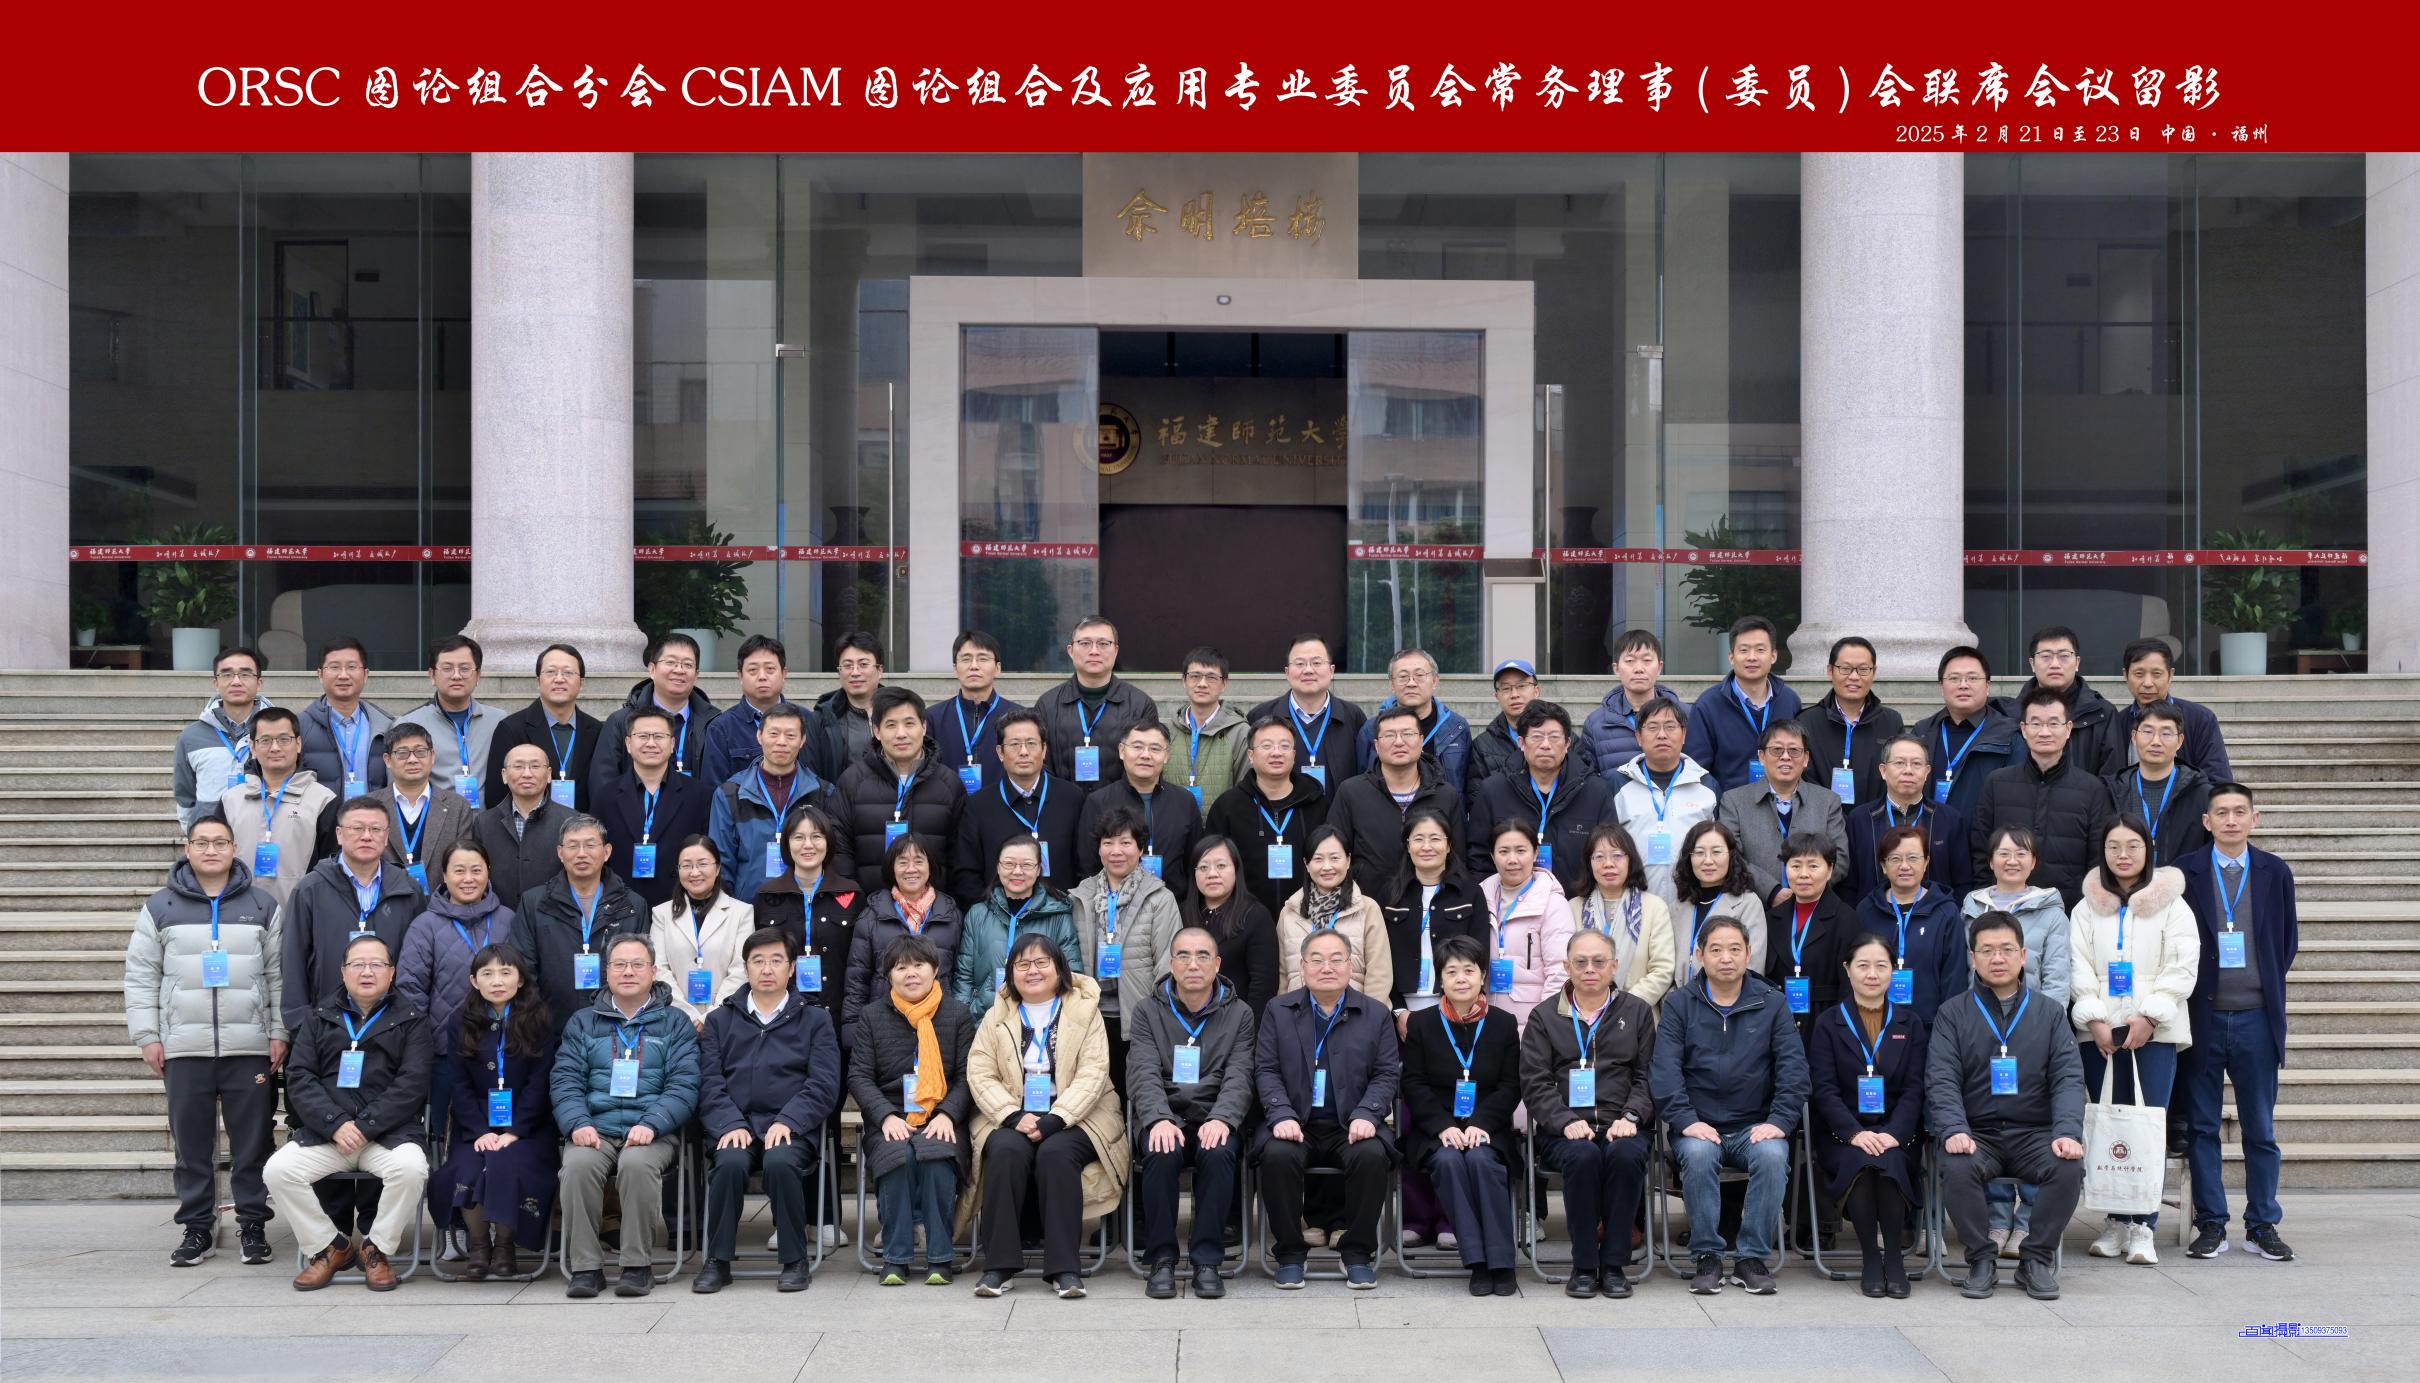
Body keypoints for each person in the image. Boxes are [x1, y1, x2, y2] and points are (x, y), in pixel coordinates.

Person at [124, 816, 284, 1268]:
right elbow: (141, 975)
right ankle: (197, 1226)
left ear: (234, 848)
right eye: (202, 843)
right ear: (187, 848)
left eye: (220, 842)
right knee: (192, 1145)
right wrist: (148, 1035)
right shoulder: (160, 906)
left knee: (253, 1144)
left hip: (249, 1046)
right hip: (184, 1047)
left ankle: (252, 1223)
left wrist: (278, 1031)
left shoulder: (262, 905)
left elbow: (278, 975)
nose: (211, 850)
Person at [1929, 910, 2087, 1301]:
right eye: (1986, 950)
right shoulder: (1952, 1013)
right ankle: (1981, 1260)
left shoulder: (2049, 1013)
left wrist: (2067, 1132)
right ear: (1972, 958)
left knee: (2067, 1167)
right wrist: (1954, 1129)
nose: (1997, 958)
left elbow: (2068, 1079)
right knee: (1956, 1165)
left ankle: (2035, 1259)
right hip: (1977, 1133)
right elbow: (1942, 1078)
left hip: (2034, 1133)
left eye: (2006, 949)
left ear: (2023, 956)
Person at [265, 931, 432, 1291]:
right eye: (358, 964)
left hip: (387, 1135)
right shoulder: (318, 1018)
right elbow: (300, 1077)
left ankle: (376, 1248)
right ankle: (330, 1247)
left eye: (376, 964)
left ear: (392, 972)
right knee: (278, 1171)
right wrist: (336, 1123)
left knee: (411, 1170)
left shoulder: (412, 1020)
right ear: (343, 972)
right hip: (329, 1136)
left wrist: (366, 1126)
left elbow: (412, 1084)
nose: (367, 972)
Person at [966, 934, 1129, 1298]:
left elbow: (1094, 1071)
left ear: (1059, 969)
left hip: (1079, 1115)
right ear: (1011, 972)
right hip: (1012, 1114)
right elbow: (980, 1072)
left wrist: (1058, 1118)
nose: (1033, 971)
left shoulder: (1084, 1011)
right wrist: (1011, 1115)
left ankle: (1064, 1269)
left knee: (1056, 1154)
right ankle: (999, 1266)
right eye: (1023, 964)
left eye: (1042, 963)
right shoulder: (996, 1015)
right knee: (1005, 1152)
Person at [1653, 913, 1807, 1294]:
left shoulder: (1772, 1003)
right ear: (1699, 955)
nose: (1726, 958)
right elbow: (1665, 1071)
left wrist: (1779, 1121)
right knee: (1699, 1155)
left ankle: (1751, 1257)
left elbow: (1794, 1070)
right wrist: (1687, 1120)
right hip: (1698, 1125)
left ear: (1749, 953)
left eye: (1735, 949)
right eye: (1716, 949)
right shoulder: (1679, 1004)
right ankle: (1707, 1255)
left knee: (1773, 1156)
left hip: (1755, 1125)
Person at [2176, 782, 2298, 1263]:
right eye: (2221, 813)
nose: (2231, 820)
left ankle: (2262, 1223)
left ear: (2254, 819)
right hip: (2203, 1017)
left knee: (2260, 1129)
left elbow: (2286, 941)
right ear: (2207, 822)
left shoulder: (2274, 871)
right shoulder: (2185, 871)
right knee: (2203, 1127)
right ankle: (2211, 1223)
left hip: (2256, 1019)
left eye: (2239, 812)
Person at [2068, 816, 2199, 1263]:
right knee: (2109, 1122)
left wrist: (2151, 1016)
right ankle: (2114, 1220)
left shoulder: (2173, 904)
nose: (2123, 855)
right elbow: (2078, 964)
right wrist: (2094, 1018)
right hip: (2101, 1032)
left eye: (2132, 846)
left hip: (2153, 1033)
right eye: (2113, 847)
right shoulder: (2087, 907)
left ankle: (2143, 1224)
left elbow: (2182, 965)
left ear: (2148, 850)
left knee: (2146, 1125)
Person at [692, 926, 843, 1294]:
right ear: (745, 968)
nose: (767, 969)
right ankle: (717, 1260)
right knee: (728, 1163)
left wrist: (789, 1120)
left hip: (791, 1126)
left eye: (776, 961)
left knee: (780, 1161)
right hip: (736, 1125)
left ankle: (794, 1259)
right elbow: (709, 1081)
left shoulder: (815, 1020)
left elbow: (824, 1083)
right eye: (758, 961)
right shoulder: (720, 1021)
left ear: (791, 968)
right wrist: (729, 1123)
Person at [551, 931, 702, 1298]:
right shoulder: (583, 1022)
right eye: (619, 964)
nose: (628, 972)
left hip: (653, 1131)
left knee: (636, 1165)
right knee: (577, 1166)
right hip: (595, 1129)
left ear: (653, 971)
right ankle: (586, 1267)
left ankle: (637, 1265)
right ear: (606, 972)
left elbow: (684, 1085)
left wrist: (652, 1123)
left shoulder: (675, 1022)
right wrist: (578, 1123)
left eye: (637, 964)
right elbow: (565, 1080)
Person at [1254, 928, 1400, 1289]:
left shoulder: (1375, 1013)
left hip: (1350, 1123)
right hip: (1296, 1122)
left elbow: (1386, 1073)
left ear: (1350, 966)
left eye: (1336, 959)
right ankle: (1290, 1253)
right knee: (1276, 1155)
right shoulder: (1279, 1010)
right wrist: (1280, 1113)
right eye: (1316, 960)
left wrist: (1368, 1113)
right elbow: (1266, 1069)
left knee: (1371, 1155)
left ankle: (1357, 1253)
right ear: (1302, 967)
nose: (1327, 967)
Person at [1520, 926, 1656, 1298]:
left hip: (1622, 1124)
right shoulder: (1545, 1016)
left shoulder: (1637, 1012)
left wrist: (1631, 1117)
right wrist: (1564, 1121)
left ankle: (1613, 1264)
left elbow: (1648, 1075)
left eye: (1599, 962)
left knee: (1625, 1155)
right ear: (1567, 967)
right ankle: (1583, 1264)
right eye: (1580, 962)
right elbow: (1534, 1081)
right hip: (1564, 1129)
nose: (1590, 969)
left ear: (1614, 966)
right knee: (1582, 1156)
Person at [1962, 824, 2075, 1260]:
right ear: (1991, 860)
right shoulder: (1971, 907)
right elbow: (1966, 971)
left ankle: (2027, 1221)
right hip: (1984, 1027)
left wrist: (2043, 1028)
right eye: (2004, 853)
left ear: (2034, 862)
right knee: (1990, 1119)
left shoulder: (2051, 912)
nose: (2012, 861)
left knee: (2032, 1122)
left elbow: (2058, 978)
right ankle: (1996, 1219)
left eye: (2021, 853)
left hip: (2034, 1031)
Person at [1127, 924, 1256, 1299]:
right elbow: (1143, 1072)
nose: (1193, 964)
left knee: (1218, 1152)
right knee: (1160, 1151)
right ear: (1171, 964)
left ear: (1217, 964)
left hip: (1215, 1114)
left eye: (1202, 955)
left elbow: (1240, 1074)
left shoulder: (1240, 1013)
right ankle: (1161, 1260)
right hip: (1165, 1115)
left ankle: (1207, 1261)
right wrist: (1157, 1118)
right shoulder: (1147, 1010)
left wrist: (1223, 1118)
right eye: (1183, 955)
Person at [848, 933, 977, 1285]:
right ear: (888, 975)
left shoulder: (957, 1014)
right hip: (890, 1116)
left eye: (919, 965)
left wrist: (948, 1114)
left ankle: (940, 1256)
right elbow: (859, 1076)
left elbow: (968, 1075)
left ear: (935, 969)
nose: (911, 974)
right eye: (901, 967)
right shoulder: (872, 1016)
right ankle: (896, 1257)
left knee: (936, 1156)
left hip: (942, 1116)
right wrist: (885, 1116)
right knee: (898, 1156)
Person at [1807, 933, 1928, 1297]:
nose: (1872, 974)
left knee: (1889, 1160)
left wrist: (1894, 1133)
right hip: (1842, 1134)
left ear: (1893, 971)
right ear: (1848, 969)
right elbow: (1824, 1089)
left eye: (1880, 965)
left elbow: (1914, 1089)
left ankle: (1894, 1258)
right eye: (1863, 965)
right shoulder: (1829, 1022)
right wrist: (1855, 1133)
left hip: (1897, 1133)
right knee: (1861, 1161)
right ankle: (1871, 1258)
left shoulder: (1910, 1023)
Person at [1400, 934, 1523, 1295]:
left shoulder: (1503, 1023)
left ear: (1483, 976)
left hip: (1489, 1128)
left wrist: (1482, 1123)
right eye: (1451, 971)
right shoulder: (1422, 1024)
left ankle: (1502, 1262)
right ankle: (1478, 1262)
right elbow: (1414, 1083)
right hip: (1436, 1130)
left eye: (1469, 970)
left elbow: (1510, 1085)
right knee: (1449, 1161)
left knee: (1483, 1162)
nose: (1461, 979)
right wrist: (1442, 1127)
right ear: (1440, 978)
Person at [430, 942, 557, 1280]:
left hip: (528, 1127)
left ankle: (504, 1245)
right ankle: (479, 1245)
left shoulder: (540, 1019)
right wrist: (480, 1131)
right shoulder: (460, 1021)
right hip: (475, 1126)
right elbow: (458, 1084)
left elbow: (540, 1082)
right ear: (474, 981)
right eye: (487, 973)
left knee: (507, 1164)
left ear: (520, 979)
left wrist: (515, 1131)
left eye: (505, 972)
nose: (497, 981)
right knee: (468, 1167)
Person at [395, 839, 512, 1150]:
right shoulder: (425, 925)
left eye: (476, 870)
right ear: (444, 876)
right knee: (445, 1136)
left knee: (499, 1135)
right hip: (445, 1051)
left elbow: (525, 980)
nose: (468, 879)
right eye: (459, 871)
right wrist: (423, 1043)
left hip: (504, 1048)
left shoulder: (508, 920)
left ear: (488, 872)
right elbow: (411, 989)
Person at [280, 796, 424, 1031]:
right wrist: (301, 1025)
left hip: (393, 1026)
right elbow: (293, 960)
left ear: (386, 836)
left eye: (375, 829)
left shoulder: (408, 890)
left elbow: (418, 964)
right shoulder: (310, 889)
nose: (366, 836)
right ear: (339, 834)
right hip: (325, 1026)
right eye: (357, 828)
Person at [1969, 685, 2117, 908]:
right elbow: (1981, 851)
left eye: (2053, 724)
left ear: (2068, 729)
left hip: (2069, 911)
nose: (2044, 732)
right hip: (2004, 912)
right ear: (2023, 729)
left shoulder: (2092, 789)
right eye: (2036, 724)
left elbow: (2098, 860)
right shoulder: (1996, 784)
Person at [505, 813, 648, 1040]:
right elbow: (524, 968)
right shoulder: (535, 903)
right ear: (560, 853)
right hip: (549, 1027)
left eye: (590, 845)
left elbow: (642, 972)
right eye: (573, 846)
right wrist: (536, 1018)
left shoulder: (632, 905)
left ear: (607, 852)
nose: (582, 853)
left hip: (617, 1028)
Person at [1464, 700, 1617, 897]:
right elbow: (1478, 856)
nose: (1545, 745)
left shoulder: (1595, 791)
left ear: (1567, 744)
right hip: (1511, 904)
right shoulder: (1493, 791)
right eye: (1537, 736)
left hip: (1578, 904)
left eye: (1554, 737)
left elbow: (1609, 852)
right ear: (1521, 743)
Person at [753, 804, 867, 1048]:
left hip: (837, 1014)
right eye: (799, 837)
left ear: (828, 842)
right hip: (781, 1016)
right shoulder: (767, 896)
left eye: (816, 836)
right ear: (787, 844)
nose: (808, 845)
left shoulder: (851, 893)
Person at [707, 703, 846, 904]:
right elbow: (722, 862)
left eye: (790, 735)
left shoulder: (823, 793)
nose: (781, 742)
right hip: (748, 907)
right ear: (759, 736)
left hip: (807, 905)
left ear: (802, 740)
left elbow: (833, 857)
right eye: (773, 734)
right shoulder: (731, 794)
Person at [1330, 702, 1467, 900]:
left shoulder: (1445, 795)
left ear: (1421, 741)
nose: (1399, 742)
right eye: (1389, 735)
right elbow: (1335, 852)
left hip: (1430, 904)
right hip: (1368, 904)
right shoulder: (1351, 792)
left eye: (1408, 734)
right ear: (1376, 745)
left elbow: (1458, 858)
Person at [835, 686, 964, 894]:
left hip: (934, 909)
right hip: (868, 906)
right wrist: (854, 901)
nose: (901, 734)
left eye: (909, 723)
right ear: (876, 731)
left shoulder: (949, 784)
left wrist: (946, 905)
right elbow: (840, 849)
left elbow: (960, 854)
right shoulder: (852, 781)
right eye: (891, 725)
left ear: (923, 727)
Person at [950, 710, 1083, 905]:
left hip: (1062, 913)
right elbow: (966, 873)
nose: (1023, 752)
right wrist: (992, 913)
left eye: (1031, 743)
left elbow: (1084, 866)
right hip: (999, 916)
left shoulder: (1071, 798)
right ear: (1000, 753)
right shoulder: (978, 805)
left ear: (1044, 749)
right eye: (1014, 744)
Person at [1205, 715, 1331, 919]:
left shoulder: (1316, 803)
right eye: (1266, 746)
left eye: (1284, 746)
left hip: (1307, 918)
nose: (1276, 753)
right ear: (1251, 755)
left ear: (1294, 754)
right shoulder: (1228, 806)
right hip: (1244, 920)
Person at [595, 705, 715, 912]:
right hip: (621, 906)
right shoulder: (606, 796)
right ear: (628, 744)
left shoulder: (699, 795)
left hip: (680, 904)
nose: (651, 743)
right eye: (643, 736)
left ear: (672, 744)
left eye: (659, 736)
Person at [1716, 720, 1848, 907]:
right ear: (1762, 757)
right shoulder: (1734, 801)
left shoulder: (1828, 801)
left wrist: (1807, 891)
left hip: (1814, 906)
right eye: (1777, 750)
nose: (1785, 757)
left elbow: (1840, 857)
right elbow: (1730, 856)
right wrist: (1771, 892)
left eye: (1794, 750)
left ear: (1806, 758)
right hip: (1754, 906)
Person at [1854, 825, 1970, 1035]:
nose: (1904, 866)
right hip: (1874, 1026)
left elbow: (1954, 977)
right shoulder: (1867, 910)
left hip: (1930, 1028)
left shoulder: (1945, 911)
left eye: (1913, 858)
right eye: (1895, 859)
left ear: (1926, 862)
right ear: (1883, 866)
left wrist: (1947, 1031)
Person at [1609, 698, 1720, 913]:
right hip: (1633, 904)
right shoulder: (1619, 784)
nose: (1662, 735)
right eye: (1652, 727)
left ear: (1684, 735)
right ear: (1638, 737)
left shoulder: (1706, 785)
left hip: (1693, 903)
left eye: (1670, 727)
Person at [1379, 808, 1489, 1021]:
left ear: (1448, 846)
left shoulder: (1470, 892)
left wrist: (1459, 1006)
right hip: (1401, 1009)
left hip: (1456, 1006)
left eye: (1435, 839)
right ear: (1408, 846)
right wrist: (1399, 1012)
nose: (1426, 847)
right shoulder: (1390, 894)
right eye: (1418, 839)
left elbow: (1480, 953)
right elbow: (1380, 958)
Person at [1032, 617, 1160, 797]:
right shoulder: (1047, 704)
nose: (1094, 651)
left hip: (1121, 809)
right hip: (1062, 807)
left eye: (1103, 644)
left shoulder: (1140, 705)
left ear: (1116, 651)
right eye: (1085, 643)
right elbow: (1040, 764)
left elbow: (1147, 765)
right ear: (1070, 650)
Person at [1074, 718, 1202, 898]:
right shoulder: (1098, 802)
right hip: (1114, 906)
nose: (1145, 755)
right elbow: (1088, 866)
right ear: (1122, 751)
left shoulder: (1184, 801)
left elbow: (1194, 863)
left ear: (1166, 755)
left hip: (1173, 905)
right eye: (1137, 747)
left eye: (1155, 749)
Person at [225, 704, 338, 906]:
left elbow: (331, 866)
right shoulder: (231, 800)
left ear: (298, 744)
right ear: (253, 748)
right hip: (240, 913)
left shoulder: (323, 800)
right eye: (265, 740)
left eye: (284, 739)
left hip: (302, 911)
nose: (275, 748)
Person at [950, 836, 1081, 1011]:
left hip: (1041, 1017)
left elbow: (1071, 974)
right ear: (998, 867)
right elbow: (964, 977)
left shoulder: (1058, 914)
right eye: (1009, 864)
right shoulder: (978, 913)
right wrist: (965, 1017)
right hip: (985, 1017)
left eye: (1026, 865)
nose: (1017, 871)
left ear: (1038, 870)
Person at [591, 633, 721, 800]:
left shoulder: (713, 724)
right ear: (652, 669)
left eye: (687, 664)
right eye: (671, 662)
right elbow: (603, 786)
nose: (679, 670)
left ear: (696, 675)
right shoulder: (621, 721)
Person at [1273, 824, 1395, 1003]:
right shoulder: (1290, 913)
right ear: (1306, 864)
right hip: (1300, 1015)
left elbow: (1379, 974)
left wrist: (1369, 1016)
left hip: (1355, 1013)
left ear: (1348, 861)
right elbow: (1282, 977)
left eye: (1335, 858)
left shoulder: (1367, 909)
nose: (1327, 866)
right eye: (1318, 859)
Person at [1844, 733, 1970, 904]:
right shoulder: (1860, 819)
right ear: (1883, 770)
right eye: (1900, 763)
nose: (1908, 770)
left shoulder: (1950, 820)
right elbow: (1849, 885)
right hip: (1872, 915)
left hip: (1936, 916)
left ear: (1927, 772)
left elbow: (1962, 883)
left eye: (1916, 764)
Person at [1686, 616, 1803, 796]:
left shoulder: (1789, 700)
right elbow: (1697, 770)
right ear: (1731, 657)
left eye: (1760, 650)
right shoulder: (1708, 705)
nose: (1752, 657)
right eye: (1744, 650)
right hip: (1729, 807)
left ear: (1773, 656)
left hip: (1783, 803)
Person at [1990, 626, 2121, 784]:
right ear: (2032, 664)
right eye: (2046, 656)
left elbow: (2112, 778)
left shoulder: (2102, 713)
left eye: (2064, 656)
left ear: (2077, 662)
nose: (2055, 664)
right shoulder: (2007, 713)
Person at [1474, 821, 1575, 1027]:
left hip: (1532, 1024)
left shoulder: (1553, 904)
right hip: (1483, 1021)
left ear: (1535, 853)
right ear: (1492, 856)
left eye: (1521, 851)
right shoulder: (1478, 898)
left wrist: (1542, 1025)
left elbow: (1560, 972)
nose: (1512, 859)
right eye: (1503, 851)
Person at [482, 643, 603, 812]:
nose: (559, 679)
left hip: (582, 826)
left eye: (568, 672)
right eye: (551, 672)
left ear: (581, 683)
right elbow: (496, 794)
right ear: (538, 681)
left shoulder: (597, 731)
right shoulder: (511, 729)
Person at [1571, 822, 1679, 1013]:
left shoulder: (1654, 907)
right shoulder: (1573, 908)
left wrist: (1624, 1006)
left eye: (1617, 855)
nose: (1608, 864)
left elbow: (1662, 969)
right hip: (1583, 1015)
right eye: (1599, 857)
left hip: (1637, 1015)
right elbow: (1565, 967)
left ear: (1631, 860)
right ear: (1589, 863)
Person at [649, 838, 755, 1029]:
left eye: (702, 864)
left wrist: (712, 1016)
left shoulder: (742, 912)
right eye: (686, 865)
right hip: (675, 1021)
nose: (695, 872)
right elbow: (659, 969)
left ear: (718, 868)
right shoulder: (661, 914)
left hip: (727, 1019)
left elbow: (741, 970)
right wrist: (688, 1016)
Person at [1246, 632, 1364, 802]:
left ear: (1331, 670)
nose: (1308, 670)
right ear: (1287, 672)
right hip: (1278, 816)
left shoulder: (1353, 716)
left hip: (1339, 817)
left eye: (1317, 663)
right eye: (1300, 663)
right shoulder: (1261, 716)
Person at [1794, 636, 1904, 810]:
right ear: (1830, 671)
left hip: (1877, 819)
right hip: (1823, 819)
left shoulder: (1891, 721)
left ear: (1873, 672)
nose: (1854, 677)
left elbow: (1898, 776)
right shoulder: (1806, 722)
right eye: (1845, 669)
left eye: (1863, 669)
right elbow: (1803, 778)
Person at [1912, 646, 2020, 823]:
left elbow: (2016, 799)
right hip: (1927, 835)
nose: (1963, 685)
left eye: (1972, 678)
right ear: (1941, 687)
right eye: (1954, 678)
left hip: (1983, 836)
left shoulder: (2009, 734)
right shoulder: (1922, 731)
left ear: (1987, 686)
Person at [2102, 638, 2233, 781]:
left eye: (2156, 674)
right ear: (2125, 674)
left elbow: (2218, 781)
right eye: (2139, 674)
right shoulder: (2116, 723)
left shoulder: (2200, 719)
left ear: (2171, 675)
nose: (2147, 683)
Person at [1351, 648, 1474, 799]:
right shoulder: (1371, 729)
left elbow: (1467, 785)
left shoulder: (1457, 728)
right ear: (1392, 684)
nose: (1411, 683)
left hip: (1444, 812)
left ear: (1435, 681)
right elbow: (1361, 782)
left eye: (1419, 675)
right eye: (1403, 676)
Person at [2101, 702, 2212, 869]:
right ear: (2134, 737)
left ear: (2180, 741)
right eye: (2147, 732)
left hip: (2183, 884)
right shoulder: (2112, 791)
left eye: (2166, 734)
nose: (2156, 741)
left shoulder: (2202, 795)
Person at [1766, 833, 1860, 1028]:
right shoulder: (1772, 918)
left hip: (1826, 1020)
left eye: (1813, 866)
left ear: (1830, 870)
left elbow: (1849, 986)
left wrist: (1838, 1029)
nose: (1803, 874)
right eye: (1795, 866)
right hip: (1779, 1021)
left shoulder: (1846, 919)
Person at [395, 635, 501, 807]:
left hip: (487, 820)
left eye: (465, 669)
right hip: (434, 819)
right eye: (447, 668)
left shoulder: (499, 721)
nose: (456, 676)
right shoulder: (409, 725)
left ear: (478, 675)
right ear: (432, 675)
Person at [1182, 837, 1280, 1015]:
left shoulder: (1256, 916)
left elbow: (1263, 985)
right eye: (1203, 867)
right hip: (1185, 1020)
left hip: (1236, 1022)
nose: (1212, 874)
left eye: (1221, 866)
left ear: (1236, 869)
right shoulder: (1181, 913)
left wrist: (1247, 1028)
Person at [176, 645, 269, 830]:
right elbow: (185, 797)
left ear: (259, 683)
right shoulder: (191, 737)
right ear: (215, 683)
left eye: (245, 674)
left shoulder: (279, 732)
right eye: (227, 674)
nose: (236, 681)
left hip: (262, 834)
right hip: (212, 839)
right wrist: (196, 835)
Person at [371, 723, 473, 891]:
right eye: (402, 753)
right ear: (387, 760)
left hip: (441, 902)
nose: (412, 760)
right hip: (383, 901)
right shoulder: (369, 806)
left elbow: (463, 863)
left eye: (420, 752)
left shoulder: (457, 807)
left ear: (432, 756)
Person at [470, 742, 569, 908]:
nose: (527, 774)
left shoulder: (570, 821)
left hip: (554, 916)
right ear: (504, 775)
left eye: (535, 766)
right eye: (518, 766)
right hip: (498, 915)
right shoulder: (484, 822)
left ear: (549, 774)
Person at [1580, 628, 1689, 775]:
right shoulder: (1596, 723)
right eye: (1630, 661)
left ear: (1659, 667)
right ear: (1616, 669)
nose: (1639, 669)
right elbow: (1589, 778)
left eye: (1647, 660)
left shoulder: (1686, 715)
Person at [930, 629, 1023, 799]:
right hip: (949, 809)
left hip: (1003, 808)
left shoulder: (1020, 718)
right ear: (955, 669)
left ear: (998, 668)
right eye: (966, 659)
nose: (974, 666)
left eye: (983, 659)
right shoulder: (933, 718)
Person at [1671, 820, 1765, 985]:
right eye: (1699, 853)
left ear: (1731, 856)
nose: (1708, 861)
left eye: (1716, 852)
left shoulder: (1748, 903)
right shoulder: (1679, 906)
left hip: (1727, 997)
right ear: (1688, 858)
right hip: (1680, 998)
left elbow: (1752, 967)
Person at [700, 634, 798, 791]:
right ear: (740, 676)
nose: (762, 676)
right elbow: (714, 790)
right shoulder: (722, 728)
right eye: (753, 670)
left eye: (770, 669)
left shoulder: (806, 721)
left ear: (784, 673)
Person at [297, 638, 391, 798]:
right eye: (334, 667)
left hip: (374, 814)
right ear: (320, 675)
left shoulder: (386, 726)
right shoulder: (300, 727)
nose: (343, 675)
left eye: (352, 667)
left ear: (365, 674)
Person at [803, 631, 891, 782]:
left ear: (880, 670)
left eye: (863, 664)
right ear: (839, 671)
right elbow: (811, 776)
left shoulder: (901, 711)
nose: (855, 672)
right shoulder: (820, 719)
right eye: (848, 665)